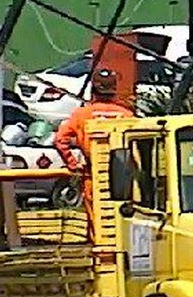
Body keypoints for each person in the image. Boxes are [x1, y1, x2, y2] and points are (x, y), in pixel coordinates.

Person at [54, 68, 134, 241]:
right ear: (114, 90)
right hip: (126, 180)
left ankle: (101, 257)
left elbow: (60, 140)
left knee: (98, 221)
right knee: (123, 221)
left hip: (94, 176)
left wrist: (73, 164)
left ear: (93, 90)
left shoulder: (82, 115)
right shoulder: (127, 116)